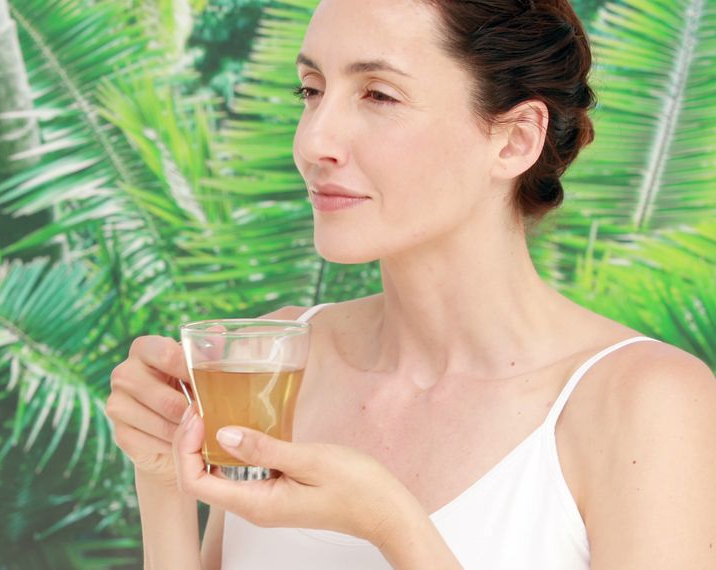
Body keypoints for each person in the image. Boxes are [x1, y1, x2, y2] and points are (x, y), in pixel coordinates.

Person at [104, 0, 716, 568]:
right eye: (311, 90)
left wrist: (392, 525)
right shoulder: (283, 355)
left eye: (378, 94)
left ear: (514, 139)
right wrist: (162, 478)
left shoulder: (646, 402)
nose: (313, 141)